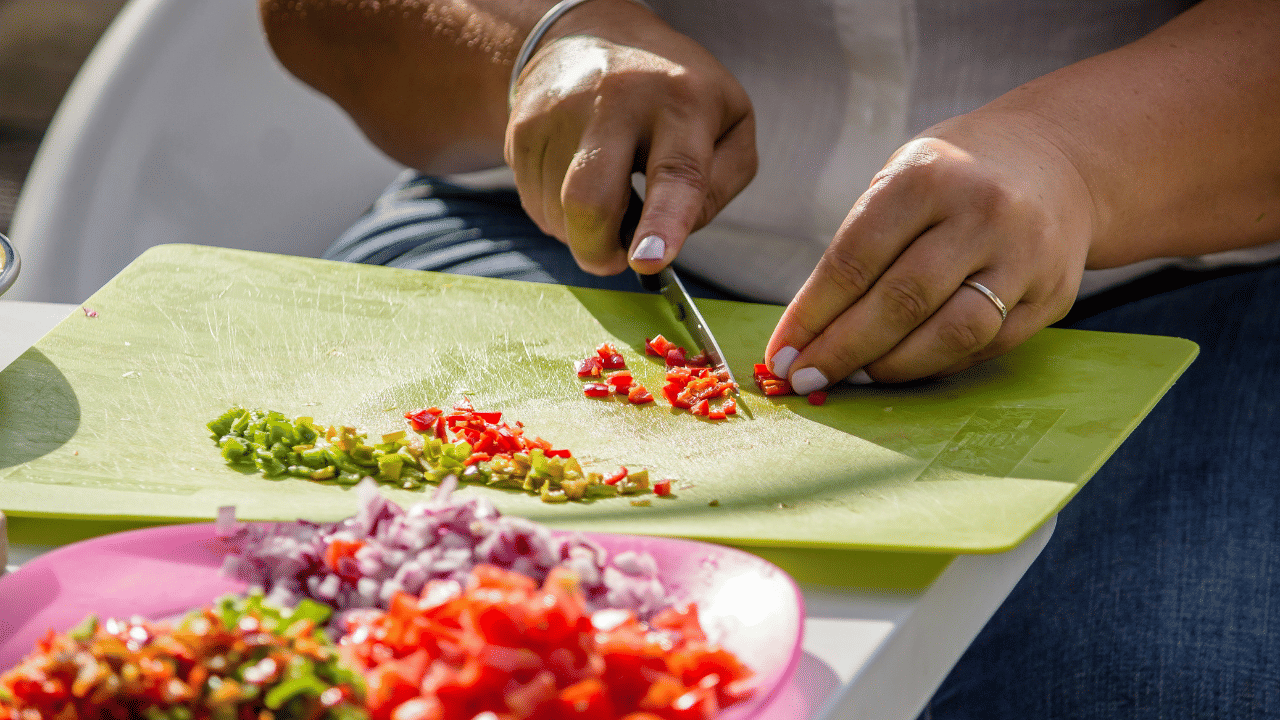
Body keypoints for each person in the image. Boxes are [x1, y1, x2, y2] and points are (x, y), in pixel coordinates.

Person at [259, 0, 1280, 716]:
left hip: (1182, 276)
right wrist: (536, 39)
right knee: (341, 640)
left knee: (1154, 682)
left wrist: (1078, 161)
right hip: (553, 241)